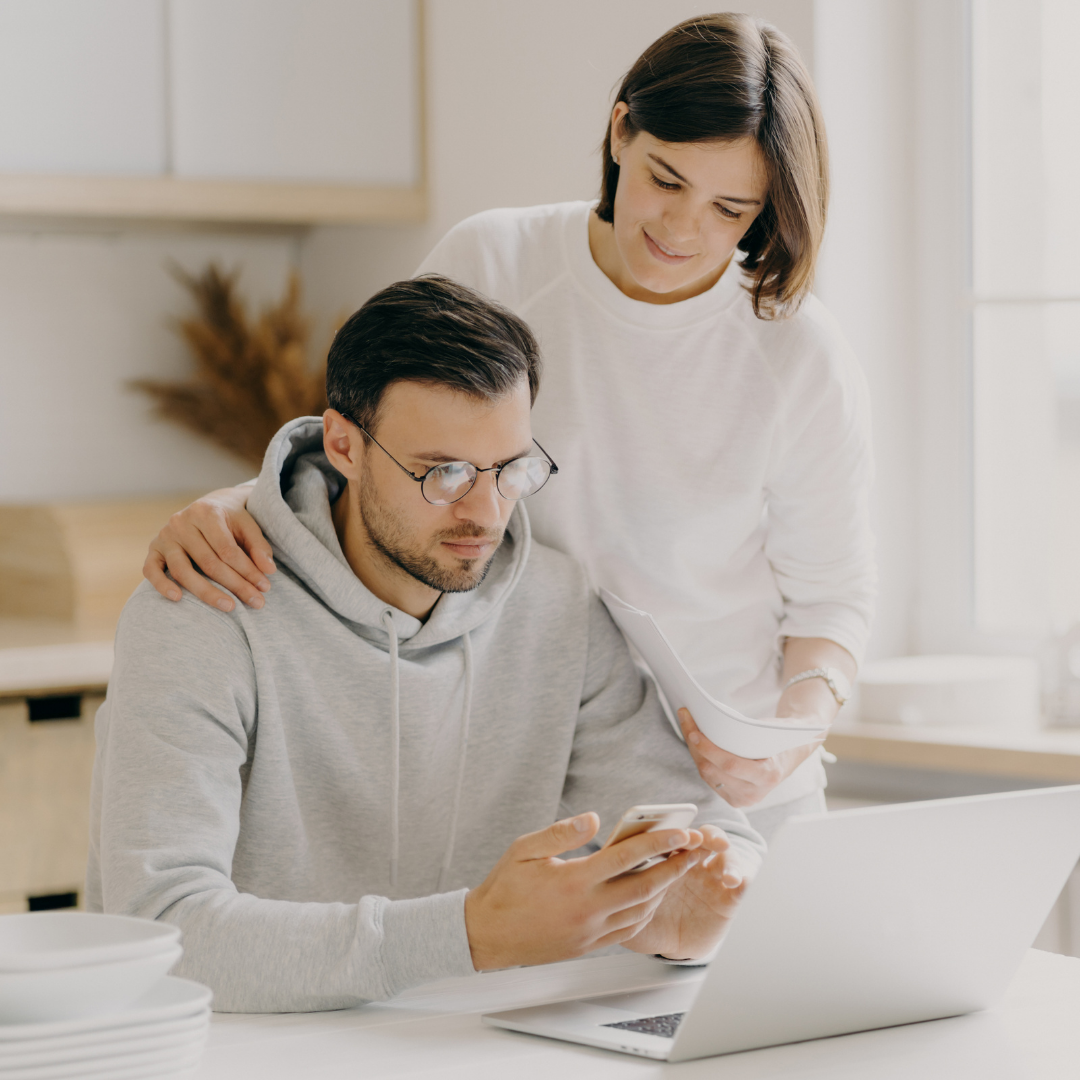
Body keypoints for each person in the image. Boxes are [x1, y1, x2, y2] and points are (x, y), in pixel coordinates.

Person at [141, 14, 875, 839]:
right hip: (522, 777)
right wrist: (236, 507)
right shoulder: (497, 261)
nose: (681, 230)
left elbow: (832, 603)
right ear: (621, 130)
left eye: (729, 209)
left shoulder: (797, 352)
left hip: (734, 798)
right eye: (665, 180)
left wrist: (790, 734)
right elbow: (382, 444)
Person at [88, 277, 764, 1014]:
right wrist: (469, 936)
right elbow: (163, 932)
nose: (485, 512)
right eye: (443, 473)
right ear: (343, 444)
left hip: (475, 1047)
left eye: (510, 470)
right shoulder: (204, 608)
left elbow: (710, 834)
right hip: (246, 1051)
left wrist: (691, 920)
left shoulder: (556, 604)